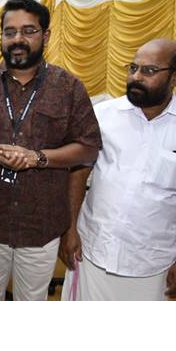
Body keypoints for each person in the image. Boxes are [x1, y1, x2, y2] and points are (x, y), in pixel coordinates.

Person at [0, 0, 102, 301]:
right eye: (10, 31)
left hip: (41, 222)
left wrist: (37, 158)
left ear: (46, 35)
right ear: (1, 36)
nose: (18, 39)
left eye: (28, 31)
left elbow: (88, 148)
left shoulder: (69, 88)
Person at [60, 38, 176, 301]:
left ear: (173, 78)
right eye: (133, 68)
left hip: (152, 265)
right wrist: (69, 228)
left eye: (149, 70)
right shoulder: (103, 115)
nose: (136, 77)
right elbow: (78, 172)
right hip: (91, 252)